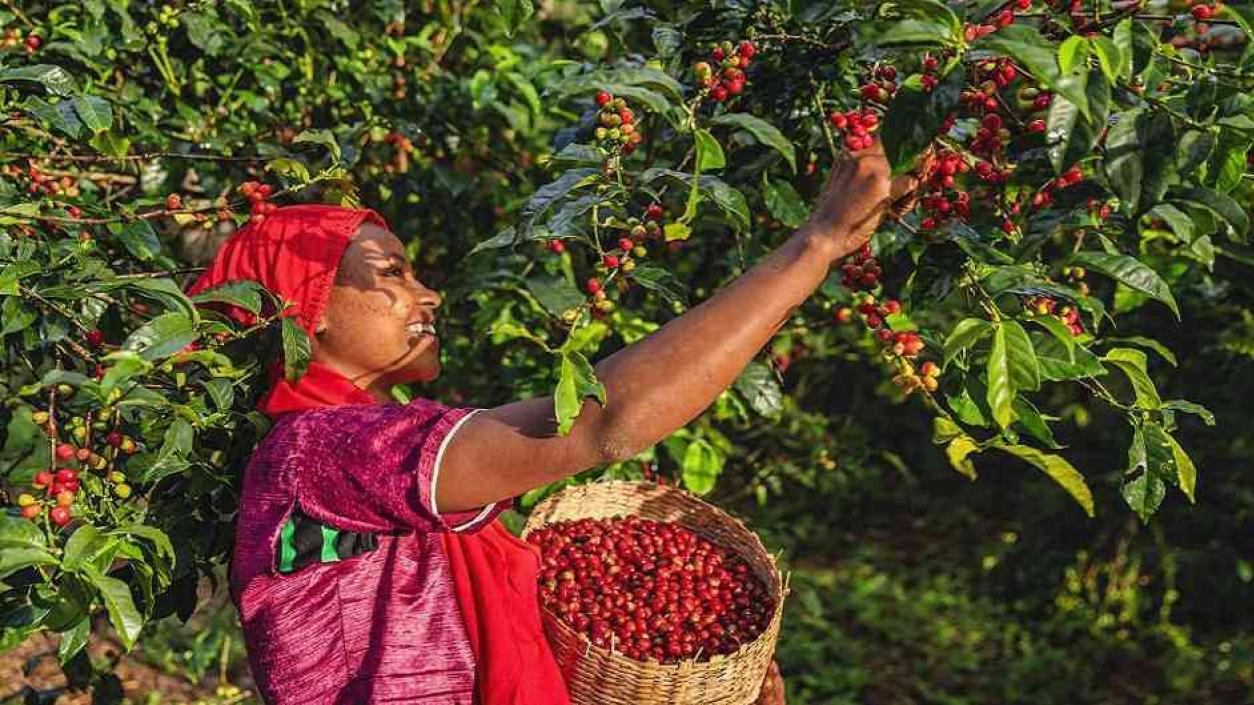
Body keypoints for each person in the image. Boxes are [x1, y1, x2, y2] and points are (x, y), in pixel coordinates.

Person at [188, 141, 909, 705]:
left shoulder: (369, 447)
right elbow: (607, 422)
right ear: (300, 307)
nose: (427, 292)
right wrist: (814, 246)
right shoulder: (318, 450)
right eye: (394, 273)